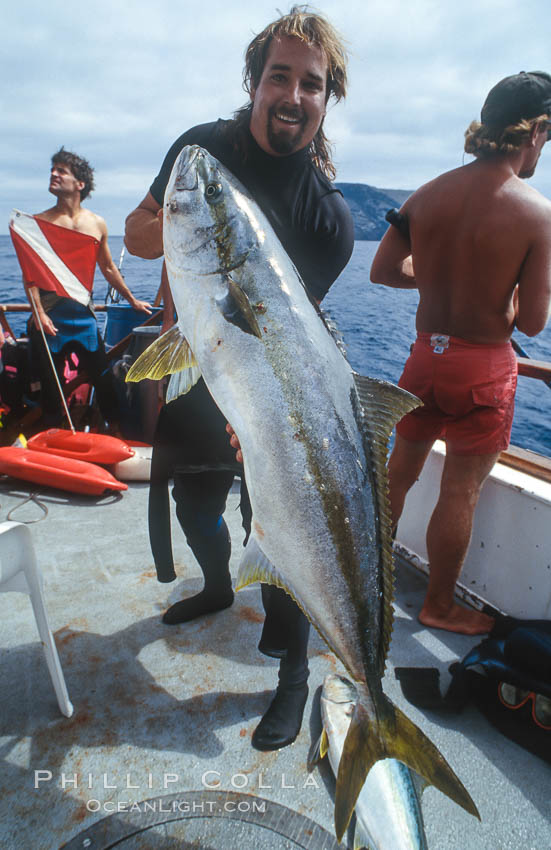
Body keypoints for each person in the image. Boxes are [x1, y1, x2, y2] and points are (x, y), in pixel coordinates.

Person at [125, 7, 353, 750]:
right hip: (198, 351)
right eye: (278, 76)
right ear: (255, 83)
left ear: (326, 99)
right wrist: (176, 222)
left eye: (310, 84)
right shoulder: (200, 152)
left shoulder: (329, 220)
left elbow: (295, 338)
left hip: (271, 394)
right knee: (194, 504)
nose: (292, 94)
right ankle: (220, 584)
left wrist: (253, 409)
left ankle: (291, 672)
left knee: (281, 527)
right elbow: (135, 235)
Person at [370, 71, 551, 636]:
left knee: (397, 476)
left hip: (424, 359)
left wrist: (439, 279)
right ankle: (439, 605)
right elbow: (534, 322)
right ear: (536, 132)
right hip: (482, 371)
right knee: (460, 490)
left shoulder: (426, 195)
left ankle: (370, 581)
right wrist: (508, 287)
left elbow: (380, 272)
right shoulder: (537, 214)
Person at [10, 148, 151, 431]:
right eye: (53, 169)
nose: (53, 174)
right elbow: (31, 277)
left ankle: (118, 436)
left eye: (61, 171)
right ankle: (54, 441)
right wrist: (39, 314)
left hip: (83, 319)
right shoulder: (38, 225)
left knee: (105, 383)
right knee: (51, 391)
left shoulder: (96, 223)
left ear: (80, 184)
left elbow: (109, 268)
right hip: (49, 320)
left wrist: (132, 299)